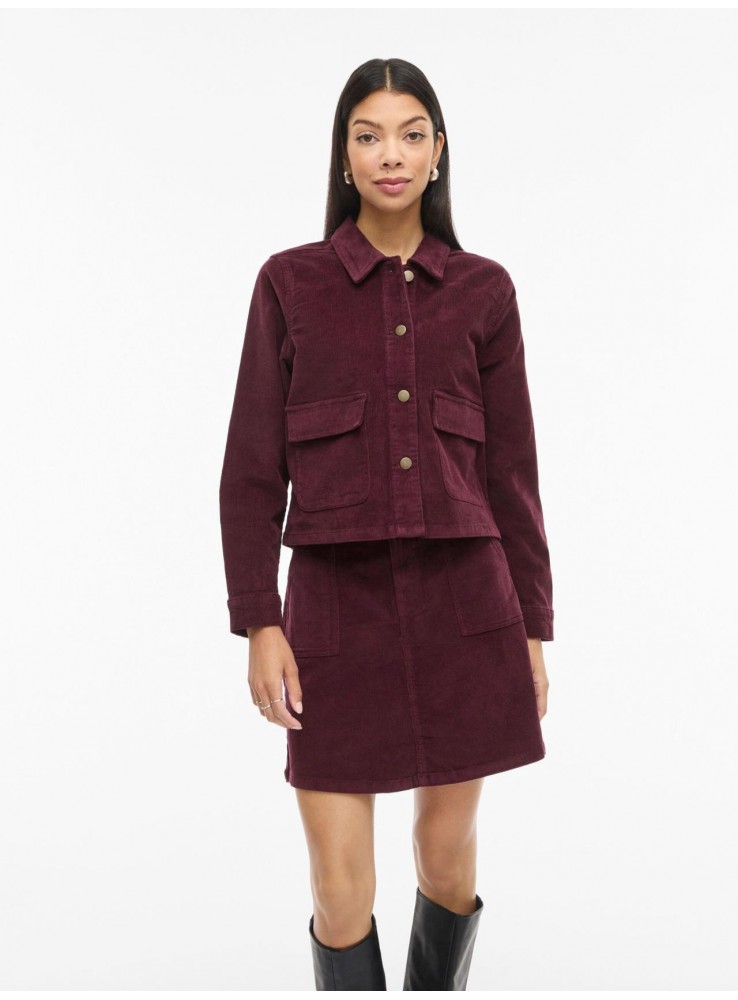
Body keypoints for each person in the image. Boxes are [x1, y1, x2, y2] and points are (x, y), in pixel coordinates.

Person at [219, 57, 554, 991]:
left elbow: (513, 477)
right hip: (334, 611)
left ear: (439, 151)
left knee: (446, 861)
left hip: (466, 608)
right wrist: (259, 621)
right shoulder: (289, 284)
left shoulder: (485, 291)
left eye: (411, 135)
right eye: (368, 136)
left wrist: (532, 629)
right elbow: (250, 471)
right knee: (340, 887)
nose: (391, 155)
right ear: (344, 155)